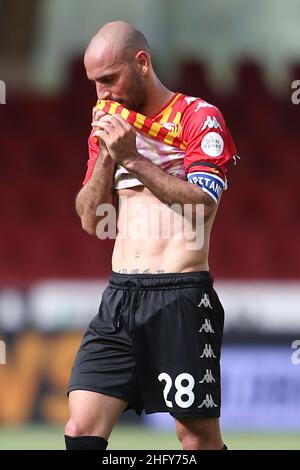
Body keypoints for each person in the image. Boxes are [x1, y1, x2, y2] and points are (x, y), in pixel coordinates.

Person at [65, 20, 237, 451]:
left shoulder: (198, 117)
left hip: (180, 296)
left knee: (196, 438)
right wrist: (107, 154)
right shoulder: (110, 130)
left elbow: (202, 204)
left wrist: (133, 158)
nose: (102, 94)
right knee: (81, 427)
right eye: (94, 85)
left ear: (141, 63)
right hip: (120, 296)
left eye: (109, 79)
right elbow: (90, 219)